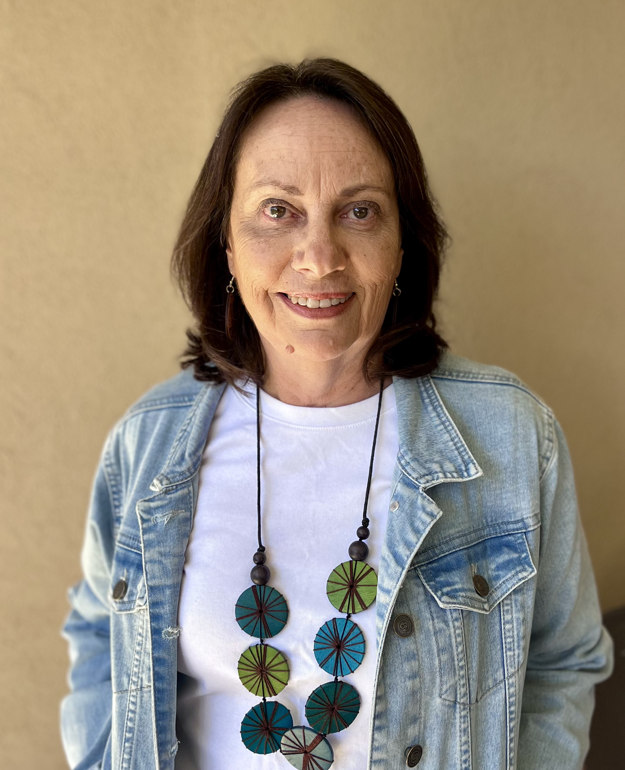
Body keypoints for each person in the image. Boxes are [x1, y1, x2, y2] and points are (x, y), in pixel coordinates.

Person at [60, 58, 613, 770]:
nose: (320, 259)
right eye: (277, 210)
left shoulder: (510, 435)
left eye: (359, 211)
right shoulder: (148, 442)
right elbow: (98, 635)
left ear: (402, 242)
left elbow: (562, 661)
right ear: (227, 244)